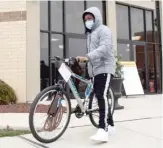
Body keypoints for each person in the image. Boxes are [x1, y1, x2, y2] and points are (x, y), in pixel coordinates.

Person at [76, 7, 116, 142]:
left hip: (105, 68)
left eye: (90, 18)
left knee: (101, 96)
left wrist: (87, 57)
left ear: (96, 18)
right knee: (100, 96)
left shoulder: (104, 30)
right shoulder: (89, 35)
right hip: (95, 70)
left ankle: (102, 129)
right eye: (86, 19)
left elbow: (104, 48)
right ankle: (110, 126)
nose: (88, 21)